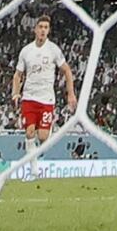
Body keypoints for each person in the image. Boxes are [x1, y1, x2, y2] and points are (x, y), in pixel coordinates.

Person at [12, 15, 77, 180]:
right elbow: (17, 75)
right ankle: (34, 171)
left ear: (49, 30)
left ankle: (48, 131)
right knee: (29, 133)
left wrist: (70, 93)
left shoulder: (54, 50)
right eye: (40, 27)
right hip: (29, 98)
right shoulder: (26, 51)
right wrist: (16, 93)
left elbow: (67, 70)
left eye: (45, 27)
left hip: (47, 99)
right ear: (35, 29)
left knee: (42, 137)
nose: (42, 30)